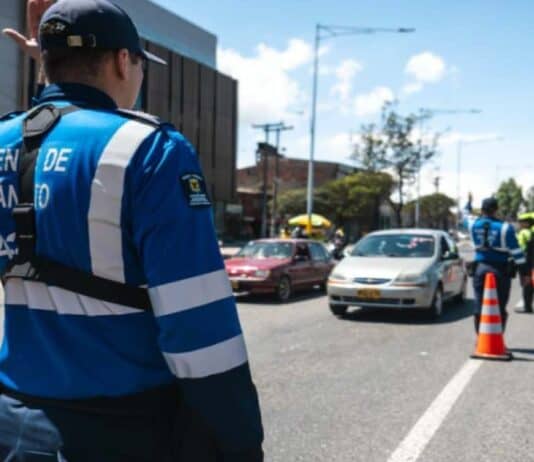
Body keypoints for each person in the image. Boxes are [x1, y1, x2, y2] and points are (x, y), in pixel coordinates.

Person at [0, 1, 263, 460]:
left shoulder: (6, 142)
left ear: (48, 62)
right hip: (121, 428)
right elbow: (200, 331)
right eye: (141, 65)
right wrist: (240, 440)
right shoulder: (151, 149)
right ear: (124, 61)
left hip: (13, 422)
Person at [463, 194, 529, 333]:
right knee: (499, 306)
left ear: (482, 210)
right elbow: (517, 253)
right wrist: (524, 273)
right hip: (500, 270)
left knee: (479, 305)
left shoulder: (473, 224)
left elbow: (465, 214)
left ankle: (480, 340)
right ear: (496, 210)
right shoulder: (505, 228)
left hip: (480, 269)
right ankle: (497, 339)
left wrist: (469, 201)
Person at [517, 212, 534, 312]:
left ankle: (527, 307)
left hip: (527, 263)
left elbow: (520, 248)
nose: (520, 224)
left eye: (521, 222)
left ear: (527, 223)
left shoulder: (525, 233)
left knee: (527, 285)